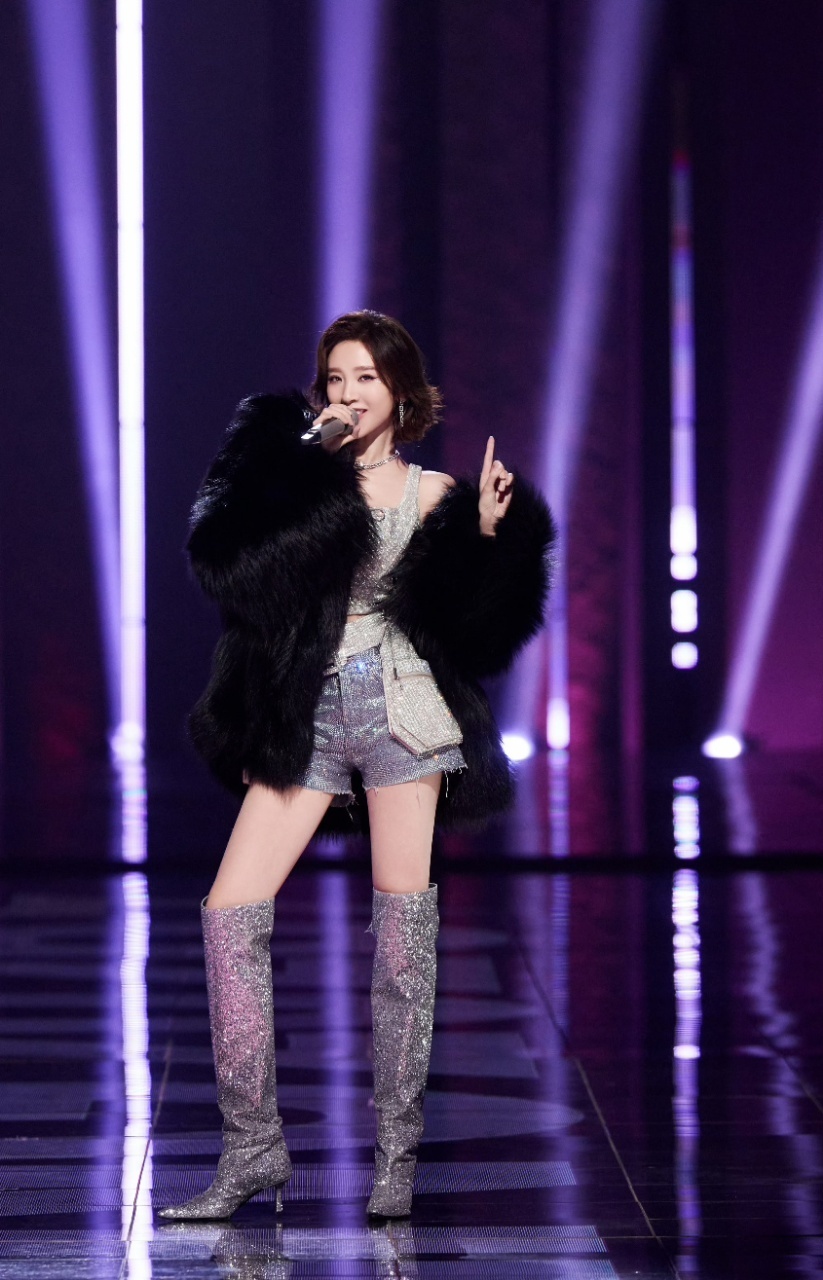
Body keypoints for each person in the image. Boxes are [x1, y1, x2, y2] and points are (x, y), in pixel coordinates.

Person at [158, 311, 555, 1222]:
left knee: (403, 937)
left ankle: (396, 1158)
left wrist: (487, 537)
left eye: (366, 378)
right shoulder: (299, 476)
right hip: (303, 716)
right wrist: (306, 461)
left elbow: (473, 632)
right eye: (335, 378)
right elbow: (226, 564)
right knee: (228, 913)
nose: (347, 393)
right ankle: (252, 1148)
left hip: (403, 715)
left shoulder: (430, 492)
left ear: (400, 391)